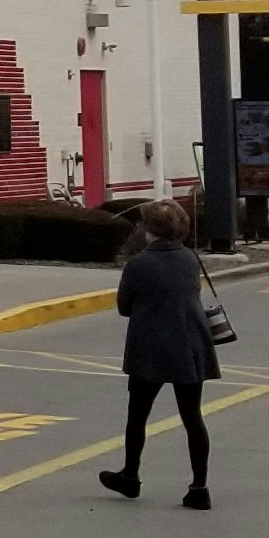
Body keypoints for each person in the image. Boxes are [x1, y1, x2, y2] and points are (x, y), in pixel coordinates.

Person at [101, 201, 218, 509]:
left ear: (149, 230)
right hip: (191, 344)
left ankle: (131, 475)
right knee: (193, 417)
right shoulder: (190, 259)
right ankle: (199, 486)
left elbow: (125, 307)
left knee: (137, 415)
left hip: (150, 346)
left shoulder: (139, 264)